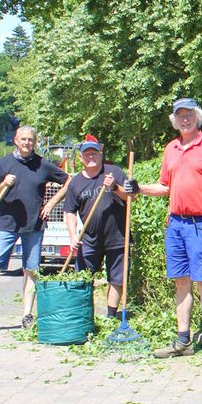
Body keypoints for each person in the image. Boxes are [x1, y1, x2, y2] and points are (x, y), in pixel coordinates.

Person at [125, 99, 202, 363]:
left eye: (189, 115)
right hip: (176, 225)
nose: (185, 119)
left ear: (198, 117)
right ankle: (183, 340)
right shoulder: (171, 148)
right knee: (181, 281)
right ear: (174, 120)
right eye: (180, 115)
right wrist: (138, 188)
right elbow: (164, 186)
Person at [0, 126, 69, 333]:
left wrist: (51, 203)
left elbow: (68, 181)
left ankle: (27, 317)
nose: (27, 143)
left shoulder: (43, 165)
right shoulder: (4, 164)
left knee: (30, 271)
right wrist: (4, 183)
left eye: (30, 139)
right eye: (23, 139)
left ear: (35, 142)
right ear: (15, 140)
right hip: (7, 225)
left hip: (34, 225)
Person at [62, 136, 129, 318]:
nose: (91, 156)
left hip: (117, 237)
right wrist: (72, 235)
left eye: (94, 153)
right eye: (87, 154)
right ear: (81, 158)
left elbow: (131, 197)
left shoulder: (114, 172)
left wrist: (114, 186)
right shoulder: (76, 182)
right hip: (89, 239)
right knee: (83, 278)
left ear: (100, 154)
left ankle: (110, 316)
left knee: (117, 279)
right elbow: (69, 211)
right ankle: (84, 316)